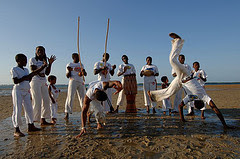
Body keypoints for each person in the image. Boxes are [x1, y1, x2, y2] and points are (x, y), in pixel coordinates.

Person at [149, 33, 230, 128]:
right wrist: (225, 125)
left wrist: (183, 120)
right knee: (172, 60)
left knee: (169, 91)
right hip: (185, 75)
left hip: (180, 81)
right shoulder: (203, 96)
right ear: (197, 103)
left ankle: (153, 95)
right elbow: (215, 109)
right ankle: (178, 40)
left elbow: (180, 106)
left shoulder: (192, 97)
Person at [10, 54, 46, 137]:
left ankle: (31, 125)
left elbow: (29, 79)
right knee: (17, 110)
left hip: (26, 91)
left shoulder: (26, 70)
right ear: (18, 61)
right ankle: (16, 129)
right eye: (23, 60)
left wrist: (38, 70)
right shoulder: (14, 69)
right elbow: (16, 81)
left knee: (29, 109)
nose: (25, 62)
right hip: (18, 91)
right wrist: (28, 76)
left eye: (26, 60)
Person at [29, 46, 56, 125]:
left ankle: (43, 119)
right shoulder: (33, 60)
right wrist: (44, 66)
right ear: (36, 52)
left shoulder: (45, 60)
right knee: (36, 100)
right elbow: (33, 71)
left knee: (46, 100)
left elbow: (47, 73)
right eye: (38, 50)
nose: (40, 52)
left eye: (42, 50)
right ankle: (33, 121)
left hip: (43, 80)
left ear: (44, 52)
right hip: (35, 80)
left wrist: (50, 64)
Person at [64, 53, 87, 120]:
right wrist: (69, 70)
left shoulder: (81, 64)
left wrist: (83, 72)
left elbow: (85, 74)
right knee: (70, 96)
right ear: (73, 58)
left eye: (79, 57)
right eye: (77, 57)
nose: (79, 59)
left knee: (83, 97)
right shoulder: (69, 65)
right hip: (73, 80)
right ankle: (67, 113)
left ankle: (84, 111)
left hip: (80, 81)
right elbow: (67, 76)